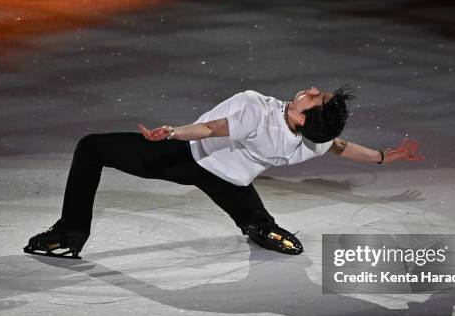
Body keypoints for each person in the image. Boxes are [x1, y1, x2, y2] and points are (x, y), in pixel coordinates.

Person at [23, 86, 423, 259]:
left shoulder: (257, 112)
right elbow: (340, 146)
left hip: (187, 157)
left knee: (91, 147)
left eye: (315, 98)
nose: (312, 89)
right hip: (232, 180)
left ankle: (70, 233)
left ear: (302, 118)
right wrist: (386, 157)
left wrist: (172, 133)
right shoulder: (311, 142)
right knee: (249, 210)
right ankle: (262, 227)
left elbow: (212, 130)